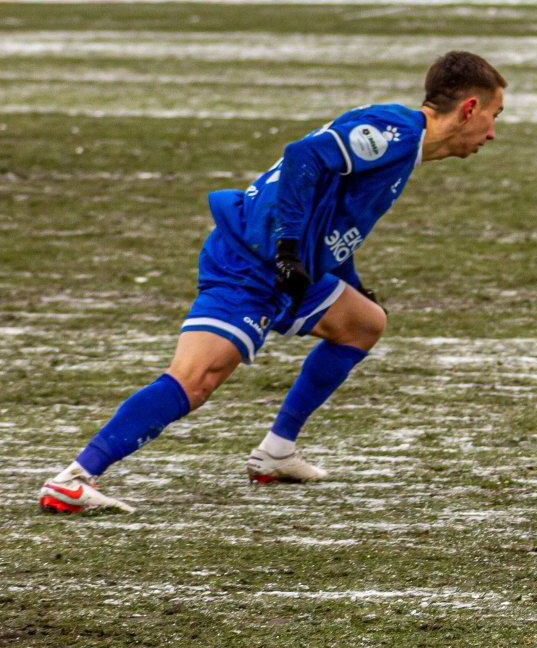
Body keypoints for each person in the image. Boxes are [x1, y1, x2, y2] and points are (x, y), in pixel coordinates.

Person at [39, 52, 507, 514]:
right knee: (197, 379)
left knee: (363, 322)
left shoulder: (403, 148)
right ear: (469, 108)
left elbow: (332, 221)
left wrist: (350, 282)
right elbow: (304, 156)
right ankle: (74, 478)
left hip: (286, 265)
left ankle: (277, 451)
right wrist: (286, 249)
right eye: (493, 116)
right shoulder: (397, 131)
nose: (491, 132)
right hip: (251, 261)